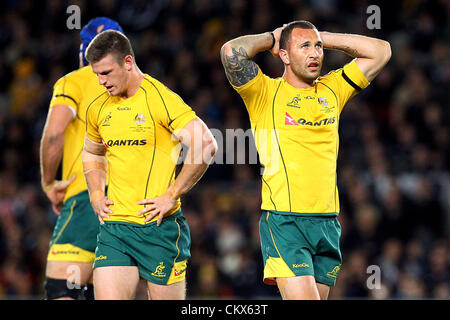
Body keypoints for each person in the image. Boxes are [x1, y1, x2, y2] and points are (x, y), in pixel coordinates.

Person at [220, 20, 391, 299]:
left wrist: (321, 36)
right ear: (284, 55)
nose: (314, 54)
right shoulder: (265, 92)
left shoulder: (333, 88)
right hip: (286, 223)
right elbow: (231, 52)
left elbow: (381, 51)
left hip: (326, 222)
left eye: (318, 48)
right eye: (304, 47)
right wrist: (271, 37)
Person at [82, 30, 217, 300]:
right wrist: (96, 193)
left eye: (106, 72)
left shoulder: (160, 99)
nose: (101, 81)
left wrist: (171, 195)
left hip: (159, 229)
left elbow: (206, 145)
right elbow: (92, 153)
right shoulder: (98, 108)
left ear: (128, 62)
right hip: (115, 228)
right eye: (96, 74)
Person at [40, 18, 125, 300]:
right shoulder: (145, 87)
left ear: (83, 52)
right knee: (102, 291)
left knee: (62, 289)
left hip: (89, 198)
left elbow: (54, 135)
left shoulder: (74, 81)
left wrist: (49, 182)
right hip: (135, 202)